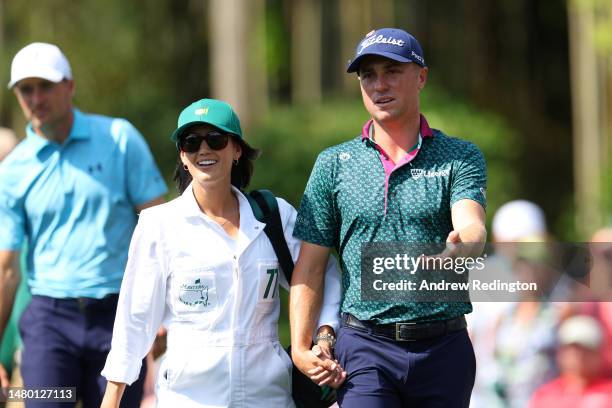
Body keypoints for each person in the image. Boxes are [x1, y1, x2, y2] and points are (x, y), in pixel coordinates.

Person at [290, 27, 487, 407]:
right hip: (365, 347)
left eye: (392, 71)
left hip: (443, 349)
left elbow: (471, 223)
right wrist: (301, 346)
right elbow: (310, 266)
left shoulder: (459, 156)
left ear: (421, 77)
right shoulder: (334, 164)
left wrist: (465, 245)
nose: (379, 85)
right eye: (368, 75)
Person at [100, 98, 341, 407]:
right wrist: (112, 396)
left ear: (237, 149)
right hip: (187, 398)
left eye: (216, 139)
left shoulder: (274, 216)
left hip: (267, 397)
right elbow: (135, 317)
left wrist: (324, 333)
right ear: (183, 156)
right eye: (191, 142)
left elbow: (323, 274)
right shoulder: (159, 225)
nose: (204, 149)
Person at [0, 42, 167, 407]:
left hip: (118, 317)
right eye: (26, 89)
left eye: (46, 86)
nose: (36, 97)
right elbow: (7, 270)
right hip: (49, 323)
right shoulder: (12, 171)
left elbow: (163, 231)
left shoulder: (119, 140)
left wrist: (162, 312)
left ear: (70, 86)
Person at [529, 315, 612, 407]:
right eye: (573, 349)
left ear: (598, 354)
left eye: (585, 350)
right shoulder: (545, 395)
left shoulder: (608, 394)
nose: (579, 356)